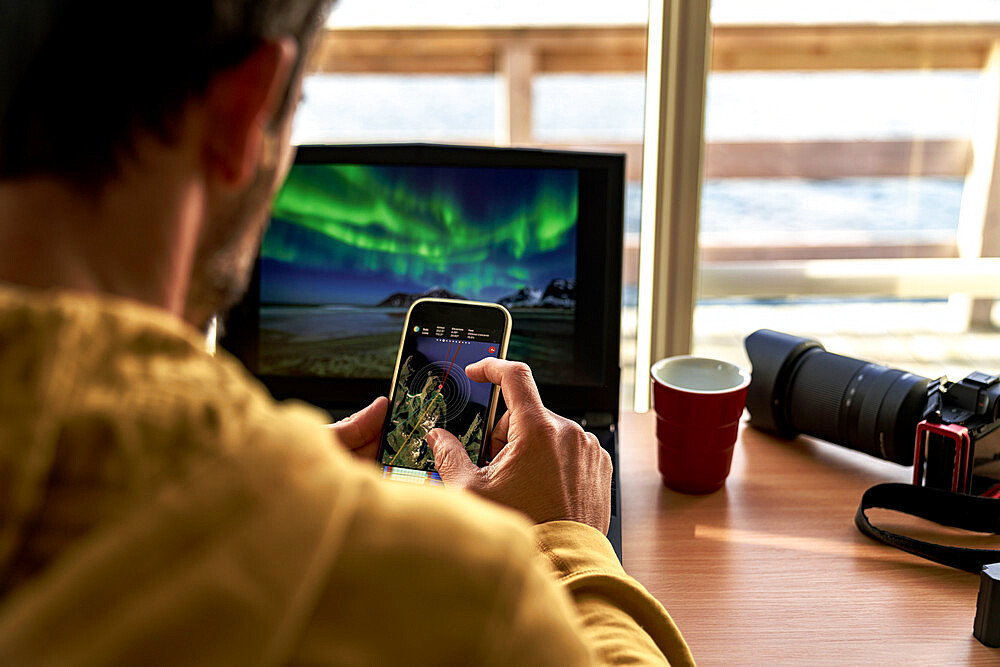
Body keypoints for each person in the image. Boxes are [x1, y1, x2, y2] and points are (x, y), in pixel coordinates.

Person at [0, 1, 694, 664]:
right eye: (290, 112)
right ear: (245, 111)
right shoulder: (479, 605)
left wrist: (274, 475)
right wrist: (567, 539)